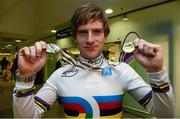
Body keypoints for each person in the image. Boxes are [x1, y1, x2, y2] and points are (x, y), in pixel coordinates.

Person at [13, 3, 174, 118]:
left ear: (105, 35)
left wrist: (157, 72)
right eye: (83, 32)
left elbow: (165, 115)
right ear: (75, 38)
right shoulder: (60, 75)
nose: (90, 39)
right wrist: (25, 78)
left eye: (97, 31)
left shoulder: (122, 70)